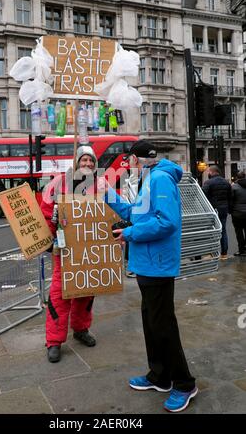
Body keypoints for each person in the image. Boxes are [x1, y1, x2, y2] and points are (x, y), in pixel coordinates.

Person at [102, 139, 197, 413]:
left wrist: (129, 234)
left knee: (163, 326)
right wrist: (108, 194)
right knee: (151, 323)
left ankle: (184, 383)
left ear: (138, 159)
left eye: (129, 160)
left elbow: (167, 222)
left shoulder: (160, 180)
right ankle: (159, 376)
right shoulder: (150, 179)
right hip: (146, 264)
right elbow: (137, 214)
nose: (127, 165)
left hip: (157, 264)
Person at [41, 146, 98, 363]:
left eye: (91, 161)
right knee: (60, 292)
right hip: (64, 248)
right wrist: (50, 232)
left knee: (87, 289)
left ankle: (81, 328)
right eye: (84, 160)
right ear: (76, 162)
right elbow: (45, 210)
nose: (88, 164)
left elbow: (109, 210)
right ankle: (54, 341)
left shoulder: (99, 184)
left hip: (88, 249)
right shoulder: (58, 182)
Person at [202, 165, 232, 260]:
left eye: (208, 172)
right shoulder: (226, 182)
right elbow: (230, 197)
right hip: (224, 209)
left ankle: (212, 253)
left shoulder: (208, 182)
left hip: (213, 210)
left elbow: (203, 196)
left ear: (211, 172)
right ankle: (224, 254)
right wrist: (229, 209)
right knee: (223, 230)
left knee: (212, 231)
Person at [122, 155, 139, 278]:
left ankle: (133, 267)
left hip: (138, 215)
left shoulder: (145, 179)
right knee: (130, 240)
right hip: (132, 214)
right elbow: (126, 197)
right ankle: (132, 265)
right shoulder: (128, 181)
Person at [230, 171, 246, 256]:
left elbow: (231, 200)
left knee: (239, 232)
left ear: (237, 177)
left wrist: (231, 210)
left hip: (237, 213)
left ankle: (241, 250)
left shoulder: (234, 187)